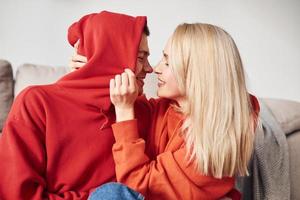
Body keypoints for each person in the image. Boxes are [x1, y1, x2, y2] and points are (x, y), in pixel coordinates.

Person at [74, 23, 260, 199]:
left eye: (168, 62)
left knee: (110, 194)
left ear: (197, 74)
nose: (156, 69)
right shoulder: (169, 109)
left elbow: (135, 185)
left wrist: (124, 110)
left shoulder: (211, 142)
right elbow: (128, 105)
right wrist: (92, 73)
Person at [0, 11, 153, 199]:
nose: (149, 68)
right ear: (109, 57)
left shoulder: (139, 111)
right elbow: (19, 195)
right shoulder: (36, 103)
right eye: (140, 58)